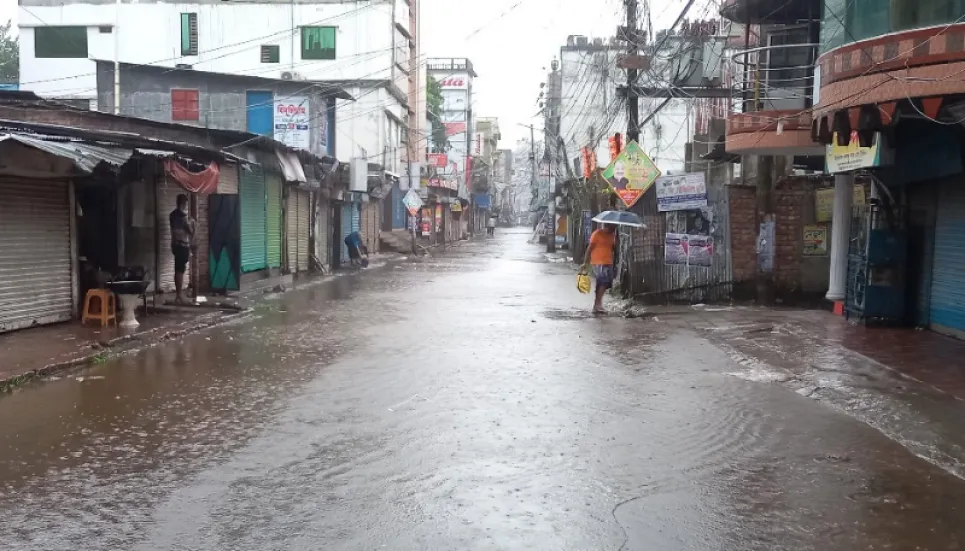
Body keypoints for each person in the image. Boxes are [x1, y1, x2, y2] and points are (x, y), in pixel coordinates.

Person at [583, 223, 616, 314]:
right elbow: (589, 248)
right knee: (602, 282)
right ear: (609, 226)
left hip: (608, 261)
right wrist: (585, 262)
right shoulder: (597, 234)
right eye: (614, 226)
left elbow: (612, 248)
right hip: (598, 262)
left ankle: (597, 304)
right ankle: (598, 304)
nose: (615, 228)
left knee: (606, 283)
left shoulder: (612, 236)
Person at [169, 194, 195, 304]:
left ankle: (178, 294)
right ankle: (179, 295)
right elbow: (191, 232)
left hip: (175, 245)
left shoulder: (172, 215)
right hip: (183, 245)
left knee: (177, 270)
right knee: (181, 270)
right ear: (184, 204)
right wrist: (193, 224)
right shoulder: (183, 217)